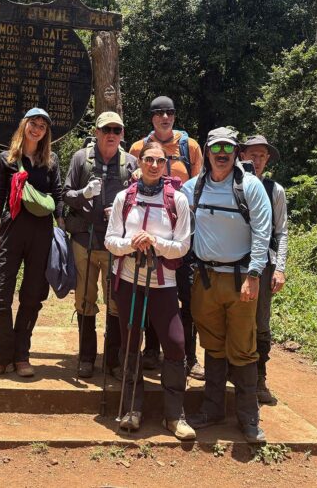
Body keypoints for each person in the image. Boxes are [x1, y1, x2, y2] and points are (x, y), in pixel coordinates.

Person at [182, 127, 272, 443]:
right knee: (213, 344)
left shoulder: (251, 187)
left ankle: (249, 419)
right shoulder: (192, 188)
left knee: (244, 348)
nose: (222, 154)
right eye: (216, 148)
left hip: (241, 281)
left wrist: (254, 275)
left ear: (236, 153)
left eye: (228, 148)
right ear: (207, 152)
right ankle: (213, 408)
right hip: (205, 280)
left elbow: (263, 232)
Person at [105, 140, 195, 440]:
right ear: (139, 161)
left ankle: (174, 415)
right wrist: (132, 243)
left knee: (175, 343)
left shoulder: (177, 201)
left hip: (162, 283)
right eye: (148, 160)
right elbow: (110, 240)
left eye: (159, 161)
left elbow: (182, 246)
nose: (154, 165)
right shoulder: (124, 198)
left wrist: (154, 242)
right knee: (131, 342)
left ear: (165, 164)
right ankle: (132, 408)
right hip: (128, 279)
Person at [0, 108, 64, 378]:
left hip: (41, 232)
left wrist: (62, 234)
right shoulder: (6, 159)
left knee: (33, 294)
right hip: (12, 229)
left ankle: (22, 354)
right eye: (33, 123)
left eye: (42, 125)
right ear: (24, 125)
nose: (37, 129)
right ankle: (3, 351)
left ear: (46, 132)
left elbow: (59, 196)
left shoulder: (50, 161)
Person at [128, 96, 205, 379]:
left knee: (185, 295)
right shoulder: (138, 148)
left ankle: (189, 356)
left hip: (183, 234)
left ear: (174, 116)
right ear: (152, 118)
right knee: (148, 290)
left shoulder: (190, 147)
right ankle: (151, 351)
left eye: (170, 112)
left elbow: (199, 188)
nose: (165, 117)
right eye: (159, 113)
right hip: (150, 232)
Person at [63, 111, 138, 378]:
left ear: (122, 134)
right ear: (96, 132)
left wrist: (121, 210)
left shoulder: (130, 163)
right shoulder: (81, 159)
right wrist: (83, 195)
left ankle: (113, 359)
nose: (111, 135)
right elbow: (66, 194)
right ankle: (86, 357)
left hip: (114, 245)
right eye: (106, 130)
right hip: (84, 240)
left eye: (116, 130)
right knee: (84, 299)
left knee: (115, 302)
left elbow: (138, 199)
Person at [240, 134, 288, 404]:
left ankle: (259, 379)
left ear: (267, 159)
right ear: (242, 156)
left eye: (261, 156)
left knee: (260, 323)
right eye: (251, 155)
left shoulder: (274, 190)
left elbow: (281, 232)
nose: (256, 160)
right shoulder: (231, 185)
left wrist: (279, 268)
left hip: (264, 264)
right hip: (233, 262)